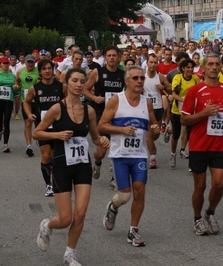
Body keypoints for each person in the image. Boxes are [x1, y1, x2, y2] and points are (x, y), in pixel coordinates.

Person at [34, 68, 109, 265]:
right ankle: (47, 224)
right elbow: (37, 133)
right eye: (74, 80)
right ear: (66, 83)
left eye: (82, 81)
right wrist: (56, 135)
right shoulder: (57, 109)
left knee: (81, 213)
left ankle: (70, 253)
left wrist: (102, 140)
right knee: (65, 219)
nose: (78, 84)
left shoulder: (89, 111)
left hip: (82, 164)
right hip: (61, 166)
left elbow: (94, 138)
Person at [98, 65, 160, 246]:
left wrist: (155, 130)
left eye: (142, 78)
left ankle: (133, 230)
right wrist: (121, 129)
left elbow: (153, 132)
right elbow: (102, 125)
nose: (140, 81)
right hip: (120, 155)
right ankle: (113, 206)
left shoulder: (146, 103)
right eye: (135, 78)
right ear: (127, 81)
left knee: (140, 191)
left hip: (139, 155)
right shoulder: (117, 100)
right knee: (124, 196)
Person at [181, 53, 223, 235]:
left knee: (219, 184)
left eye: (217, 64)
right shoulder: (194, 91)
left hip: (219, 145)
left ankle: (210, 212)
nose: (214, 67)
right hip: (199, 145)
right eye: (211, 64)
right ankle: (197, 218)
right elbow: (184, 119)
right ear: (204, 68)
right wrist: (203, 114)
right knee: (200, 187)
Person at [83, 46, 125, 189]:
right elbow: (85, 90)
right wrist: (95, 98)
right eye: (109, 56)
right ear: (105, 58)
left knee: (117, 148)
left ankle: (114, 179)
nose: (112, 58)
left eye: (114, 55)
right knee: (101, 151)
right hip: (101, 115)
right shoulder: (97, 72)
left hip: (118, 115)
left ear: (119, 57)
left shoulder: (123, 74)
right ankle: (97, 163)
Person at [24, 59, 67, 197]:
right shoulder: (35, 88)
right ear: (40, 72)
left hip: (58, 126)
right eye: (44, 69)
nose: (48, 71)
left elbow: (70, 102)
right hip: (42, 127)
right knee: (46, 154)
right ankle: (48, 185)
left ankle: (56, 179)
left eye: (50, 68)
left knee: (56, 157)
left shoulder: (61, 87)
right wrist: (29, 114)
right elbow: (26, 102)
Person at [169, 59, 200, 168]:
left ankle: (192, 162)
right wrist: (184, 101)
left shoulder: (196, 79)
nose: (190, 70)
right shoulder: (178, 78)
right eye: (188, 67)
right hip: (177, 110)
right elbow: (173, 94)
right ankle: (173, 154)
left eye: (192, 67)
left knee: (191, 135)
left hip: (190, 112)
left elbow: (199, 93)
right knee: (176, 135)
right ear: (183, 68)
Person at [143, 54, 171, 169]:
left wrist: (163, 88)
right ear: (147, 63)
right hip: (146, 109)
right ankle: (152, 159)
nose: (153, 65)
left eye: (155, 62)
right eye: (151, 62)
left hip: (158, 108)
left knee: (155, 135)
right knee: (149, 134)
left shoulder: (160, 77)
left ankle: (152, 144)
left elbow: (170, 88)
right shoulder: (142, 77)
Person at [14, 54, 39, 157]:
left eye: (32, 62)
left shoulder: (39, 71)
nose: (30, 64)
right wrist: (16, 85)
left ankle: (39, 138)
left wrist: (40, 82)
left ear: (34, 62)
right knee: (28, 124)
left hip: (38, 101)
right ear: (25, 62)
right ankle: (29, 146)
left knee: (38, 124)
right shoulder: (20, 71)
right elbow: (17, 80)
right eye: (28, 62)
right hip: (26, 102)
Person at [0, 57, 16, 153]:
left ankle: (5, 144)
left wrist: (16, 87)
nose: (6, 65)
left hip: (8, 100)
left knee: (6, 122)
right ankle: (0, 130)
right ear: (0, 64)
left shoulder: (12, 76)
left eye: (7, 63)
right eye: (4, 63)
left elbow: (16, 87)